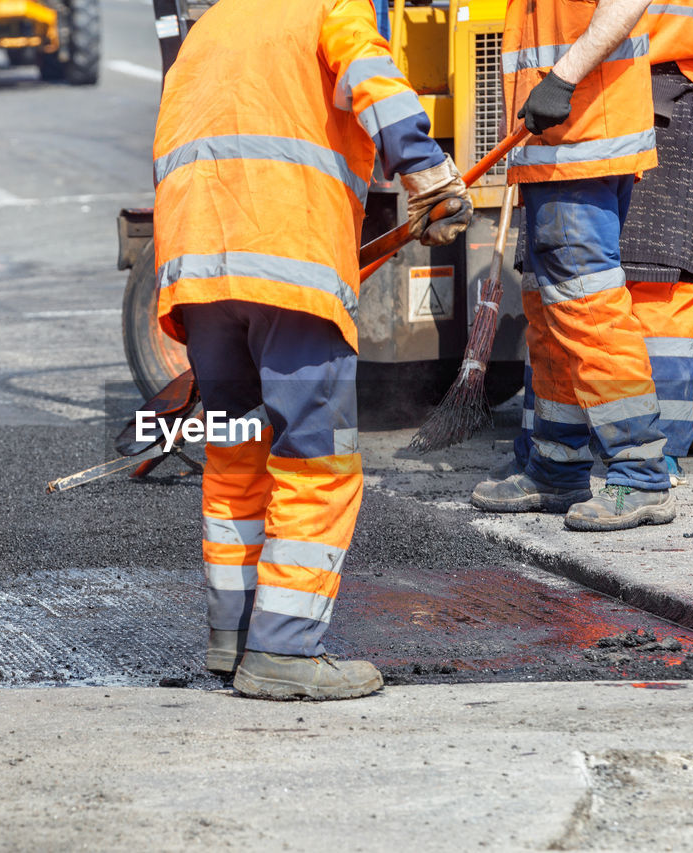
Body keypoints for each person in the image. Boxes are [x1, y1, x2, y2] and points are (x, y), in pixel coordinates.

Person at [153, 0, 472, 699]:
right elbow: (376, 84)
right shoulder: (329, 9)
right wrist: (427, 171)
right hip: (287, 264)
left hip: (198, 273)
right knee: (315, 457)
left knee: (237, 452)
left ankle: (232, 638)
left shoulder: (210, 29)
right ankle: (287, 651)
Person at [479, 0, 693, 495]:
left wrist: (583, 64)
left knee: (577, 295)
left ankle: (625, 468)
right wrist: (683, 44)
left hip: (591, 100)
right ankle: (645, 458)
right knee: (651, 291)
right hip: (664, 96)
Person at [470, 0, 675, 532]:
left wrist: (562, 78)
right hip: (553, 145)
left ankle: (640, 473)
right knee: (549, 308)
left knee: (587, 306)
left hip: (584, 137)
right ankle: (558, 467)